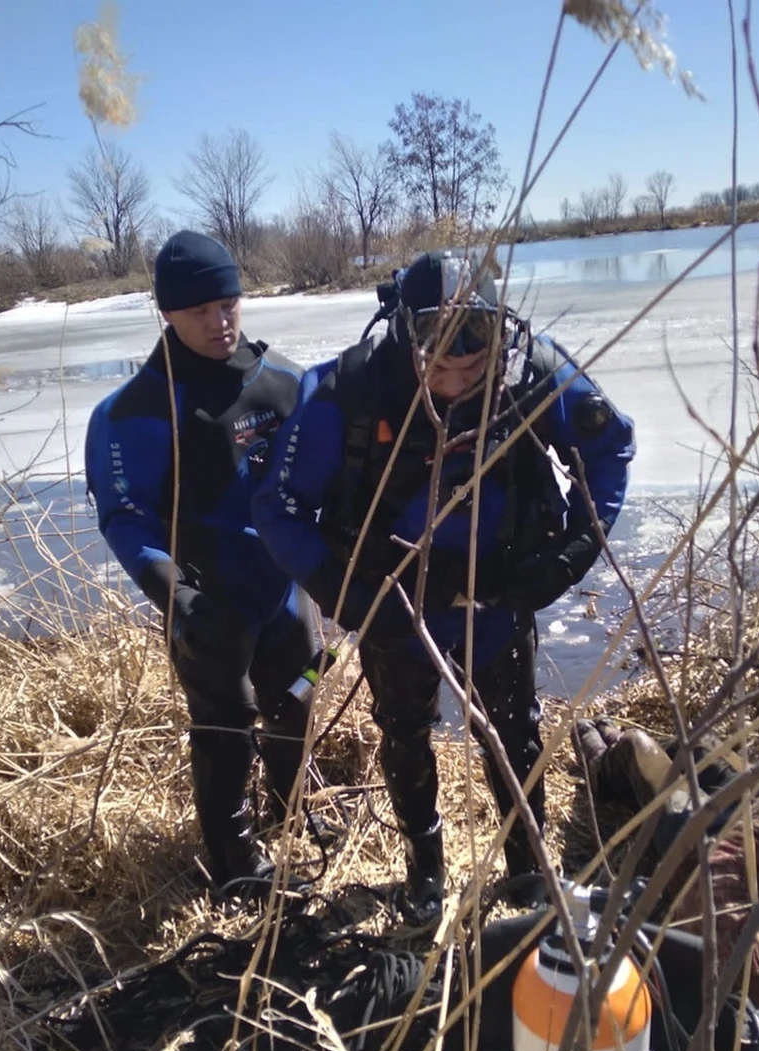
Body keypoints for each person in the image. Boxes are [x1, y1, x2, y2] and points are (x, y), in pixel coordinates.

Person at [253, 249, 635, 915]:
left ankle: (525, 868)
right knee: (403, 729)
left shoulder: (532, 372)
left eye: (474, 366)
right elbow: (277, 508)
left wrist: (576, 548)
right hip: (394, 599)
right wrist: (342, 592)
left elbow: (610, 447)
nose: (457, 383)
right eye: (440, 368)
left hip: (498, 594)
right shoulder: (346, 392)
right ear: (406, 336)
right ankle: (425, 869)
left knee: (513, 730)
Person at [85, 229, 321, 895]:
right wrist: (175, 597)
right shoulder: (132, 412)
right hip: (206, 599)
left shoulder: (286, 385)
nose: (220, 323)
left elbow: (329, 480)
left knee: (296, 696)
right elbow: (124, 517)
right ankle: (236, 863)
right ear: (167, 312)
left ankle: (291, 810)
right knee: (223, 724)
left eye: (229, 305)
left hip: (284, 591)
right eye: (200, 312)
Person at [574, 716, 759, 1051]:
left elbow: (719, 929)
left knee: (637, 748)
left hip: (720, 855)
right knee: (697, 745)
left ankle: (602, 764)